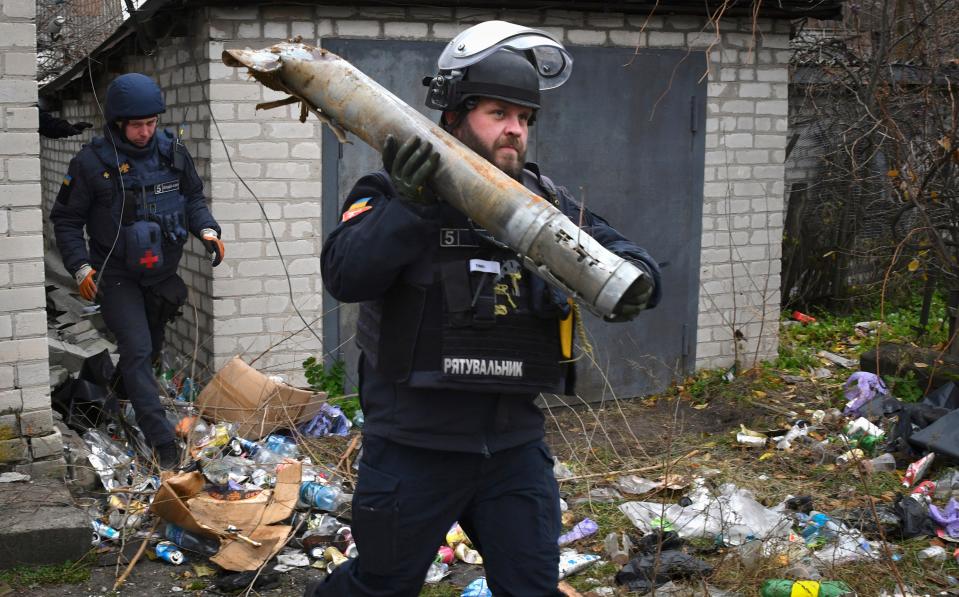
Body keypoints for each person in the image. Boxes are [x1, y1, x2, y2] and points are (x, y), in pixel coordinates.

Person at [311, 21, 661, 597]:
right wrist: (411, 209)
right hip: (412, 449)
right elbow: (345, 275)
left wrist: (640, 278)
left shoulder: (540, 204)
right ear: (453, 115)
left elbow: (616, 251)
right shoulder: (390, 190)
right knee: (380, 586)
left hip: (512, 450)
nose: (515, 131)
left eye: (524, 119)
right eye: (499, 113)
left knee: (530, 588)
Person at [50, 73, 225, 469]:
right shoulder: (91, 163)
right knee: (138, 350)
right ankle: (163, 444)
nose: (145, 132)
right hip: (116, 276)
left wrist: (208, 230)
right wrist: (79, 266)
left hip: (161, 275)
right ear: (117, 123)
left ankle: (115, 397)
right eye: (136, 125)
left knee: (148, 354)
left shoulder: (172, 153)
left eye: (150, 123)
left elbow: (193, 197)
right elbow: (65, 219)